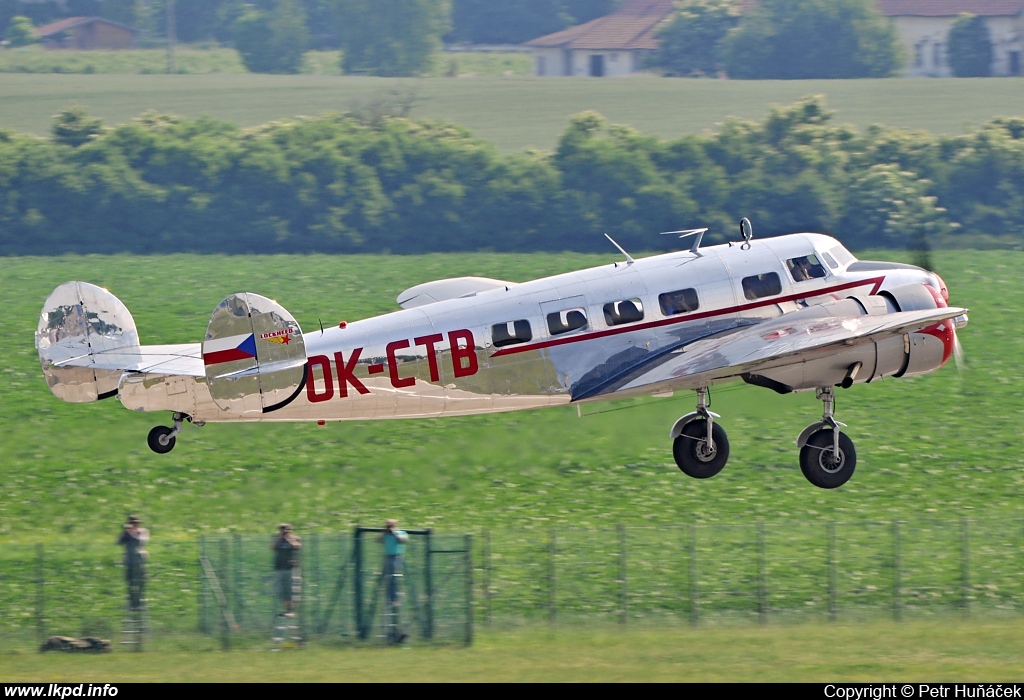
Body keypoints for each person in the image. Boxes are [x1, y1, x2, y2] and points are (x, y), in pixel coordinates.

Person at [117, 515, 149, 610]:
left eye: (136, 523)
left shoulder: (143, 531)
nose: (134, 525)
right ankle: (132, 603)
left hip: (139, 560)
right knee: (130, 582)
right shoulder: (126, 533)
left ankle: (140, 602)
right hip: (129, 560)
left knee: (140, 582)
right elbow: (119, 542)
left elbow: (139, 541)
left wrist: (132, 533)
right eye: (132, 523)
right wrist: (124, 533)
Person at [271, 523, 301, 616]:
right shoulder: (278, 539)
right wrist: (280, 538)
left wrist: (288, 538)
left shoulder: (295, 538)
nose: (284, 531)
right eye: (282, 529)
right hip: (279, 568)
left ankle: (291, 610)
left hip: (291, 568)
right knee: (280, 590)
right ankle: (286, 609)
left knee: (291, 590)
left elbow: (297, 546)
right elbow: (273, 547)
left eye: (286, 529)